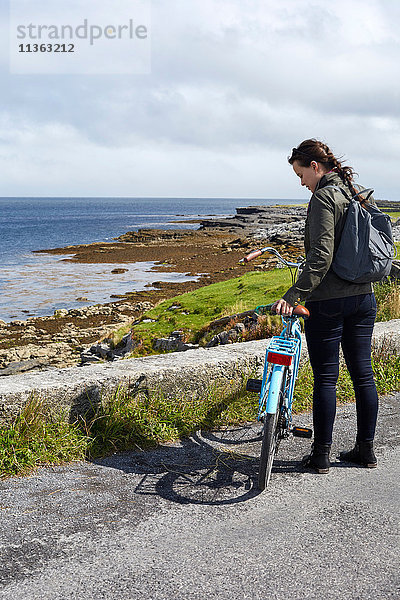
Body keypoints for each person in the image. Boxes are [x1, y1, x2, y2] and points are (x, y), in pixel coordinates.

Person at [272, 138, 378, 473]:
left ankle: (320, 456)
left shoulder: (323, 198)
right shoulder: (356, 190)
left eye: (301, 175)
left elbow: (319, 259)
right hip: (364, 297)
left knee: (327, 378)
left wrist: (293, 296)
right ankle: (365, 451)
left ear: (315, 167)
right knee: (363, 375)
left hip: (330, 301)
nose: (302, 183)